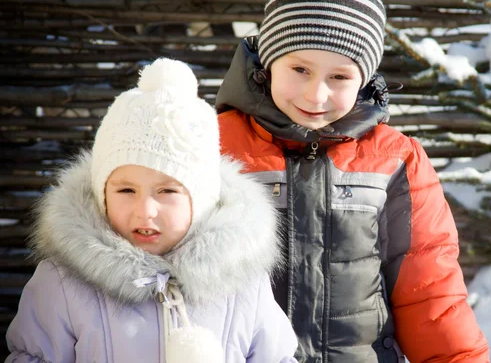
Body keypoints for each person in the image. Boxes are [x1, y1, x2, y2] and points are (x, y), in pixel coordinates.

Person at [215, 0, 490, 362]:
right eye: (299, 69)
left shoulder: (395, 160)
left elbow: (429, 290)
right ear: (267, 63)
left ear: (363, 79)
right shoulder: (213, 145)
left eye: (339, 77)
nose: (316, 94)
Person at [5, 58, 298, 363]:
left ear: (202, 199)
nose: (145, 211)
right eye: (126, 190)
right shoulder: (63, 282)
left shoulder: (241, 281)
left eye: (167, 191)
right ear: (101, 194)